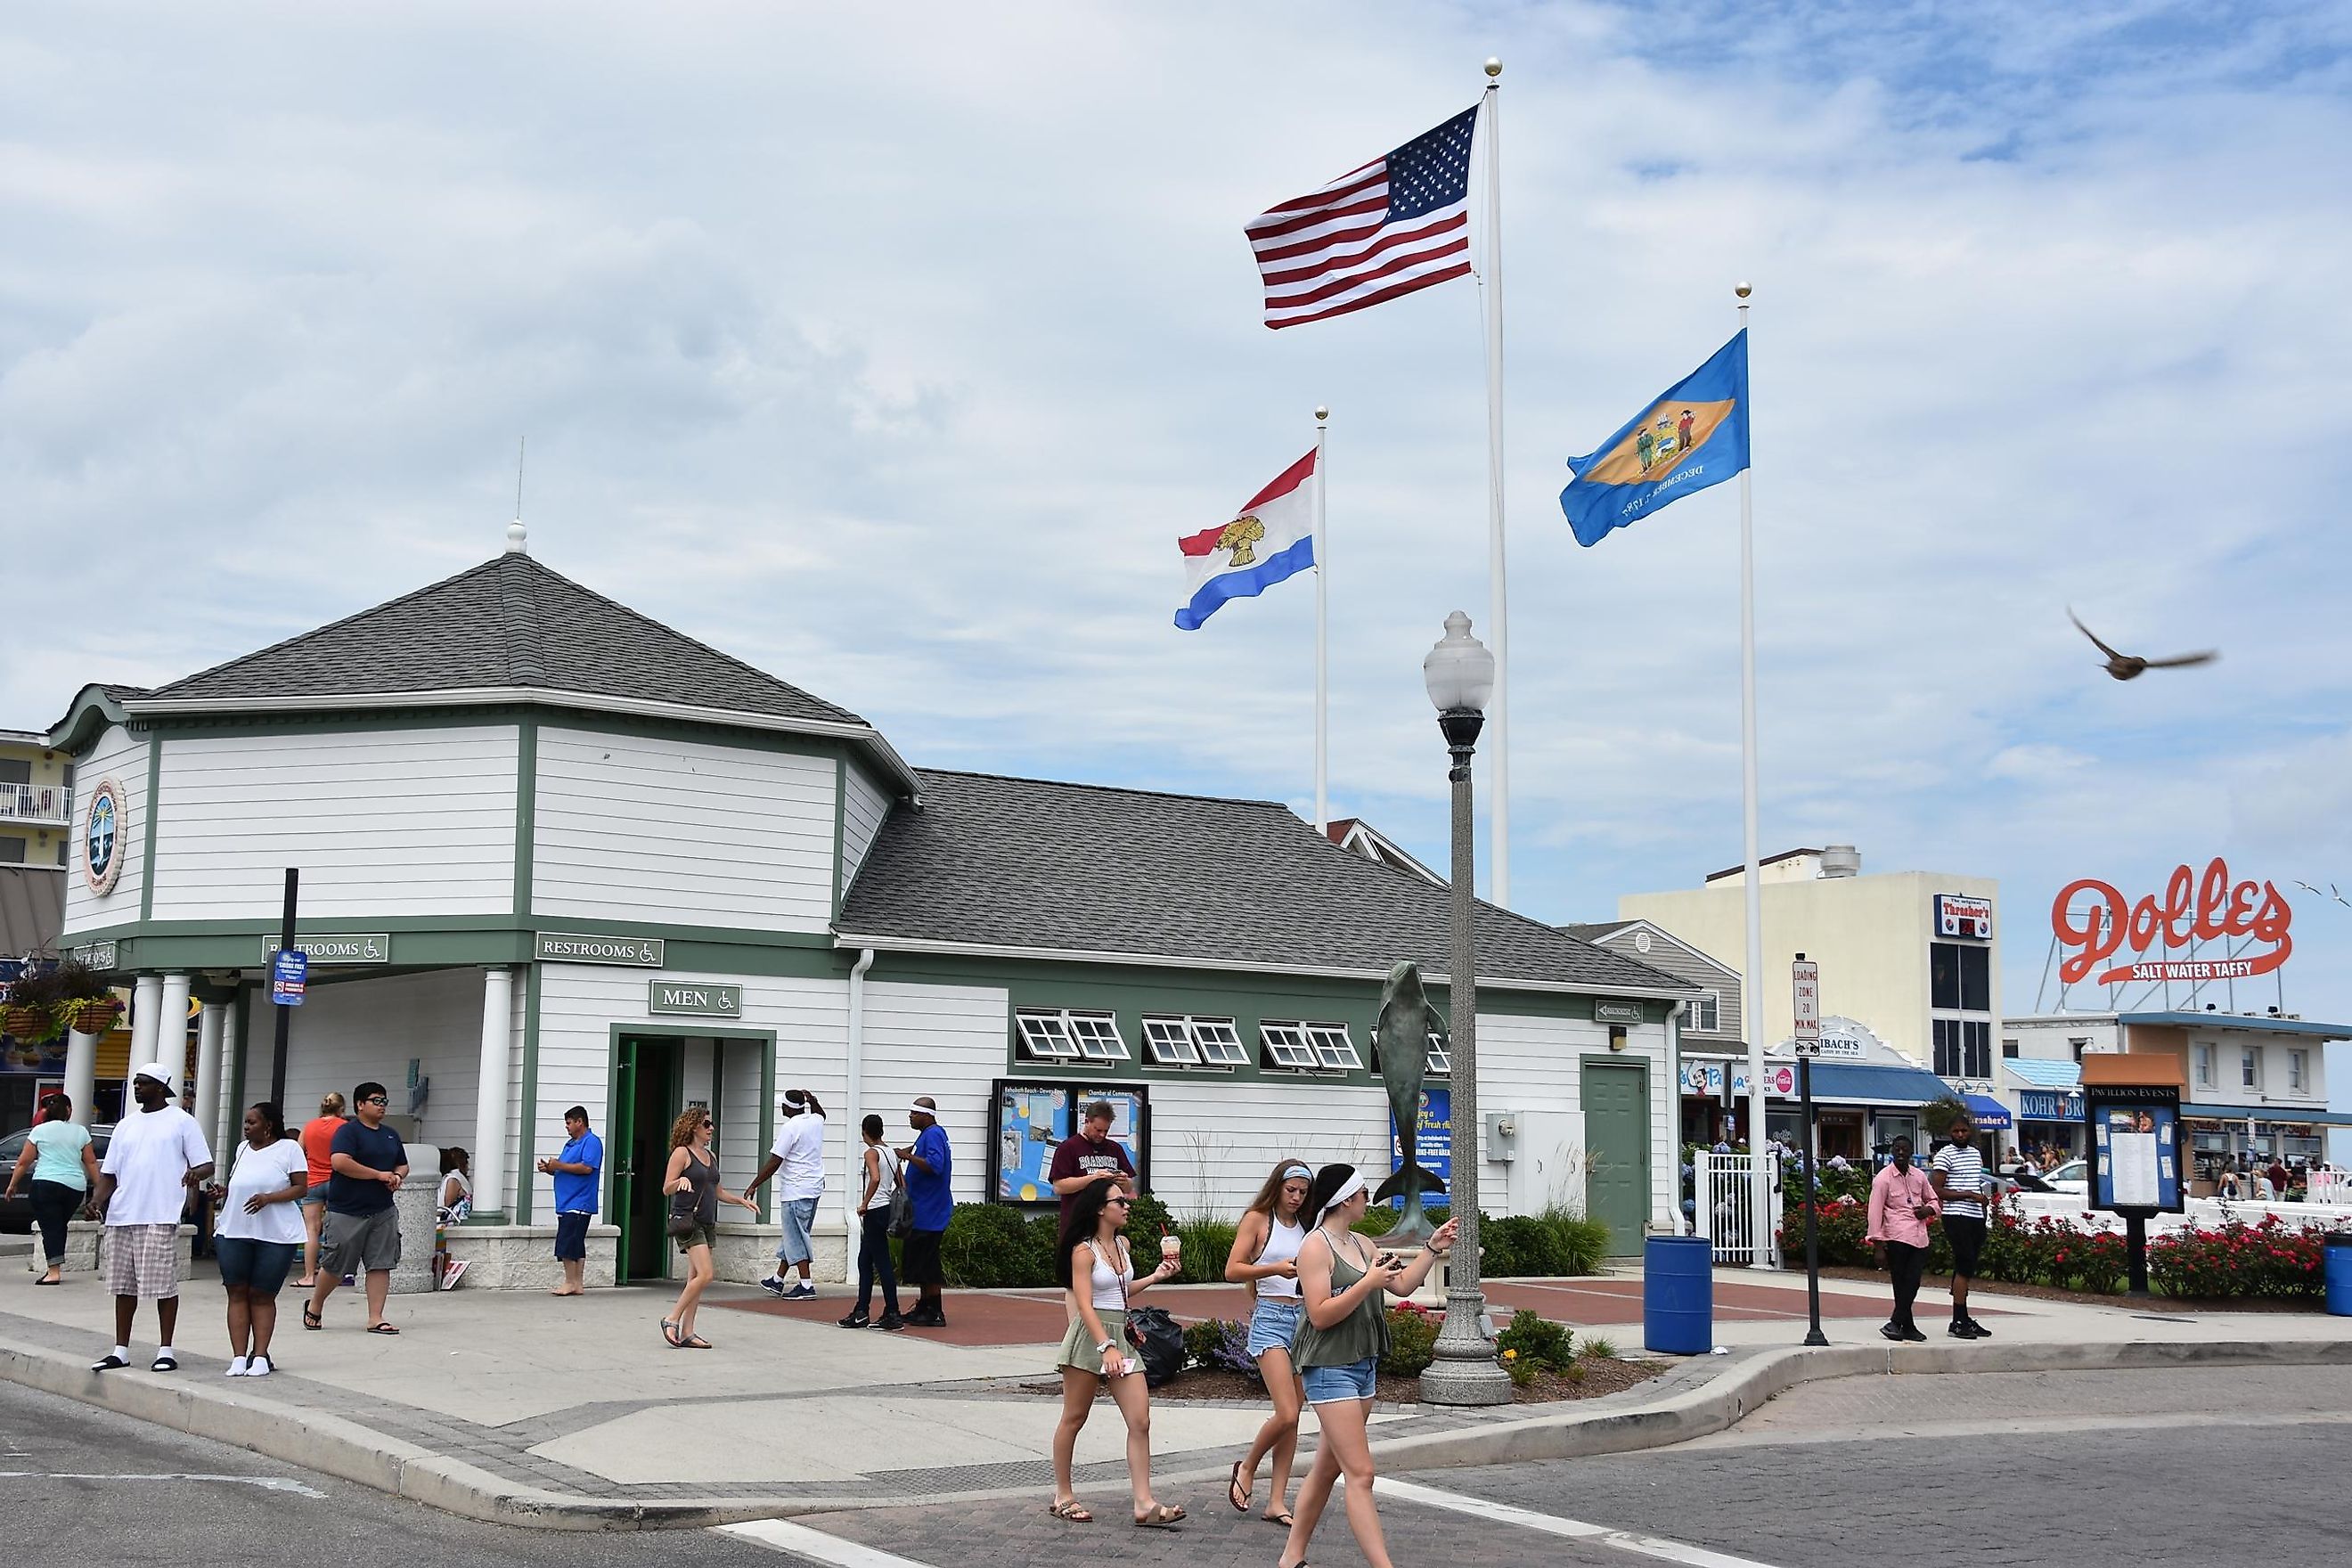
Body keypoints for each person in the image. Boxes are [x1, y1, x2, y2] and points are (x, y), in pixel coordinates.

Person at [1278, 1164, 1458, 1568]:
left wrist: (1431, 1247)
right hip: (1328, 1367)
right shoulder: (1314, 1247)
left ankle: (1291, 1557)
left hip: (1363, 1364)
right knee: (1360, 1474)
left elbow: (1403, 1285)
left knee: (1327, 1468)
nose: (1367, 1200)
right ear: (1345, 1200)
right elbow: (1320, 1314)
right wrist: (1366, 1284)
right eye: (1362, 1193)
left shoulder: (1362, 1244)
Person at [1047, 1177, 1183, 1526]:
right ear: (1099, 1209)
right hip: (1091, 1335)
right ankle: (1063, 1494)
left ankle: (1144, 1503)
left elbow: (1121, 1293)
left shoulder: (1121, 1244)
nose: (1126, 1206)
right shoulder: (1083, 1250)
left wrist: (1154, 1276)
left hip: (1120, 1333)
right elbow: (1086, 1303)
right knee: (1074, 1418)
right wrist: (1104, 1346)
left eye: (1125, 1201)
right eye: (1119, 1202)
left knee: (1140, 1420)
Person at [89, 1062, 215, 1372]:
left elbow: (206, 1165)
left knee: (163, 1286)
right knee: (123, 1286)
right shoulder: (125, 1125)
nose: (136, 1088)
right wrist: (95, 1200)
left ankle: (165, 1350)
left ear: (160, 1087)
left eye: (142, 1083)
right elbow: (110, 1173)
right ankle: (121, 1350)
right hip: (122, 1214)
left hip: (160, 1212)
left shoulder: (182, 1122)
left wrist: (193, 1173)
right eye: (135, 1083)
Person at [1224, 1159, 1313, 1527]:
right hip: (1272, 1318)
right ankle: (1247, 1466)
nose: (1295, 1198)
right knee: (1287, 1411)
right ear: (1276, 1187)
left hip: (1305, 1319)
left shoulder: (1309, 1225)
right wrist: (1273, 1268)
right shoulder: (1258, 1219)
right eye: (1290, 1190)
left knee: (1292, 1421)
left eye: (1302, 1193)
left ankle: (1277, 1500)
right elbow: (1232, 1269)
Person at [306, 1081, 408, 1335]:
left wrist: (397, 1175)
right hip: (347, 1209)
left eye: (384, 1101)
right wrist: (378, 1175)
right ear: (360, 1105)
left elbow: (402, 1164)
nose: (382, 1106)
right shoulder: (348, 1132)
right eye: (376, 1100)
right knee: (335, 1264)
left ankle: (376, 1317)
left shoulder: (391, 1134)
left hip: (383, 1210)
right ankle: (315, 1306)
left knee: (380, 1263)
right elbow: (340, 1162)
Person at [215, 1101, 308, 1376]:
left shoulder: (289, 1149)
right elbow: (239, 1186)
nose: (246, 1127)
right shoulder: (241, 1149)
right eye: (245, 1122)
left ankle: (260, 1356)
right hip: (235, 1229)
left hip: (276, 1233)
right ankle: (238, 1357)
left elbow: (301, 1187)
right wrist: (223, 1192)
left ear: (268, 1126)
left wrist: (269, 1198)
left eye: (252, 1122)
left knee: (262, 1294)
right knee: (236, 1291)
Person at [661, 1106, 757, 1349]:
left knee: (695, 1278)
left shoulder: (710, 1156)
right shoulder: (681, 1153)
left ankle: (688, 1332)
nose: (711, 1128)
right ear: (694, 1127)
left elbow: (717, 1191)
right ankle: (671, 1318)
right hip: (687, 1220)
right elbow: (666, 1187)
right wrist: (679, 1181)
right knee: (706, 1275)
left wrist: (741, 1201)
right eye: (706, 1124)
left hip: (706, 1222)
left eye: (711, 1124)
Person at [5, 1091, 98, 1285]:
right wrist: (100, 1189)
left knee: (51, 1227)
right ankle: (54, 1266)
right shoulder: (81, 1132)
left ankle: (53, 1272)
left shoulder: (39, 1131)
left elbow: (24, 1162)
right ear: (69, 1110)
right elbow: (90, 1162)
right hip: (74, 1188)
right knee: (57, 1225)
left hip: (46, 1184)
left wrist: (12, 1185)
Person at [746, 1089, 827, 1300]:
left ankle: (806, 1285)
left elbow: (775, 1160)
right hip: (814, 1188)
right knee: (794, 1235)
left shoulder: (790, 1127)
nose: (781, 1107)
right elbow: (822, 1114)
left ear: (790, 1107)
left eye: (783, 1104)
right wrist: (813, 1100)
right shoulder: (815, 1121)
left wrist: (755, 1184)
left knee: (796, 1236)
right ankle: (778, 1280)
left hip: (795, 1190)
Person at [1865, 1137, 1939, 1343]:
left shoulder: (1919, 1176)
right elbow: (1875, 1212)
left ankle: (1897, 1323)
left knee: (1912, 1282)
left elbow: (1933, 1199)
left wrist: (1928, 1210)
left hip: (1919, 1237)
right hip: (1896, 1237)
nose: (1901, 1153)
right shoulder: (1883, 1179)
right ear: (1892, 1151)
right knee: (1901, 1284)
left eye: (1905, 1149)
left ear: (1911, 1151)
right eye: (1897, 1149)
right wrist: (1878, 1245)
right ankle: (1905, 1326)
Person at [838, 1114, 905, 1331]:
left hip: (875, 1210)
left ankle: (893, 1313)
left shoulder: (871, 1153)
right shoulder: (891, 1153)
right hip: (887, 1209)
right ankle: (861, 1311)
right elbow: (901, 1182)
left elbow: (874, 1178)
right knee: (864, 1261)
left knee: (882, 1262)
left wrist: (864, 1204)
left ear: (865, 1132)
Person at [1929, 1113, 1992, 1340]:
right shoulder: (1944, 1155)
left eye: (1963, 1131)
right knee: (1964, 1263)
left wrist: (1981, 1201)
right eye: (1955, 1131)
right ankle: (1957, 1319)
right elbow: (1936, 1190)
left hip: (1976, 1215)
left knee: (1968, 1265)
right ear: (1949, 1133)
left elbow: (1974, 1182)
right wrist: (1967, 1195)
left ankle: (1964, 1317)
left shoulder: (1975, 1154)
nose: (1960, 1134)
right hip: (1956, 1215)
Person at [895, 1097, 953, 1327]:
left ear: (926, 1115)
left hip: (931, 1212)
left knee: (929, 1263)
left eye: (914, 1113)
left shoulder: (934, 1134)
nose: (910, 1116)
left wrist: (908, 1157)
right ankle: (925, 1306)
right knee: (921, 1263)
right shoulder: (927, 1135)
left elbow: (935, 1165)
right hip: (923, 1211)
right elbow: (923, 1154)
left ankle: (935, 1311)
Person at [537, 1106, 602, 1295]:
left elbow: (587, 1168)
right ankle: (577, 1284)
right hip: (566, 1202)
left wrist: (559, 1165)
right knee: (576, 1243)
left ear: (579, 1122)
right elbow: (565, 1168)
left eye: (568, 1123)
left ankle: (569, 1282)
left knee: (567, 1242)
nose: (566, 1127)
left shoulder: (591, 1142)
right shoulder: (571, 1144)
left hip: (578, 1202)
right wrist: (550, 1168)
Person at [1048, 1099, 1135, 1221]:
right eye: (1098, 1130)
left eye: (1106, 1130)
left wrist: (1124, 1182)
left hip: (1108, 1226)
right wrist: (1093, 1178)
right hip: (1077, 1224)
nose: (1102, 1135)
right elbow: (1059, 1187)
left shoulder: (1115, 1149)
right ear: (1086, 1121)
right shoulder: (1068, 1148)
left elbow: (1129, 1187)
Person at [293, 1091, 347, 1289]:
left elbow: (298, 1151)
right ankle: (333, 1274)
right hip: (337, 1181)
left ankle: (308, 1276)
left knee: (311, 1230)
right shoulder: (344, 1127)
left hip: (312, 1181)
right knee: (338, 1228)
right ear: (342, 1109)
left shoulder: (309, 1127)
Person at [437, 1147, 472, 1224]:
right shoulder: (455, 1178)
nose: (468, 1166)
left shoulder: (456, 1179)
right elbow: (449, 1205)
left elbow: (448, 1205)